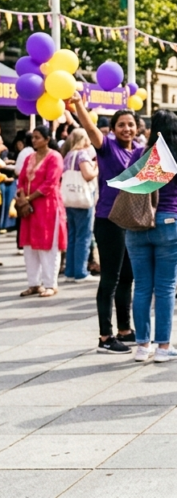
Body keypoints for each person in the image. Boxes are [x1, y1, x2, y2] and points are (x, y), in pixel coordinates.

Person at [125, 110, 177, 363]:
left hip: (138, 225)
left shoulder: (138, 155)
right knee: (166, 288)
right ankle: (163, 346)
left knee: (141, 286)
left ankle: (142, 346)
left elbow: (130, 186)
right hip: (170, 223)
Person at [73, 94, 139, 353]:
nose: (126, 128)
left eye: (130, 124)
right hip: (109, 220)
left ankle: (124, 329)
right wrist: (79, 104)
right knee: (110, 278)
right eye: (121, 125)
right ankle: (105, 336)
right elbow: (90, 128)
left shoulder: (138, 151)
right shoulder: (108, 147)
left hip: (131, 222)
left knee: (127, 277)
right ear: (112, 129)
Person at [16, 126, 66, 298]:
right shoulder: (29, 157)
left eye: (37, 137)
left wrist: (28, 198)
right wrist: (22, 198)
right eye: (33, 137)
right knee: (30, 246)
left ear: (47, 139)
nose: (34, 140)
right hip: (29, 209)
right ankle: (34, 283)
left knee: (48, 244)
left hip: (48, 206)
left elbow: (50, 183)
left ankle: (50, 284)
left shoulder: (55, 157)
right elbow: (21, 179)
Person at [61, 128, 98, 283]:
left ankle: (70, 271)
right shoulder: (82, 155)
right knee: (83, 236)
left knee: (72, 235)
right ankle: (81, 272)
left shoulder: (68, 155)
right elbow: (88, 175)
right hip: (82, 200)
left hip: (69, 199)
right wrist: (96, 168)